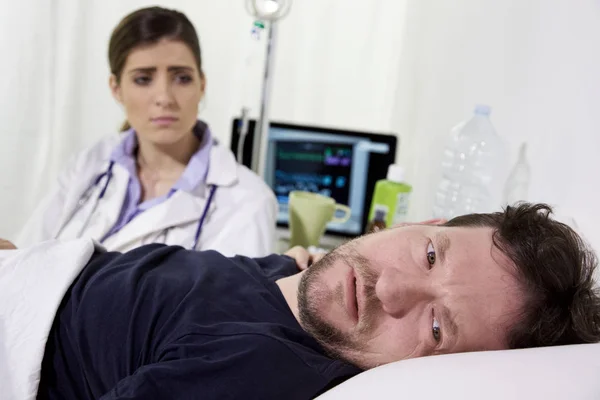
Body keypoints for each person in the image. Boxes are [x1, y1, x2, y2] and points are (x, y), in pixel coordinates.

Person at [1, 203, 599, 399]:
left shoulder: (262, 366)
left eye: (438, 325)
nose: (389, 289)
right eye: (431, 255)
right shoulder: (298, 282)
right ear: (422, 221)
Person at [14, 7, 277, 256]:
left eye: (182, 78)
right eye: (143, 79)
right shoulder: (88, 165)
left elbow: (233, 303)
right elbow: (24, 263)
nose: (164, 97)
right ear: (116, 89)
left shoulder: (248, 200)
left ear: (202, 85)